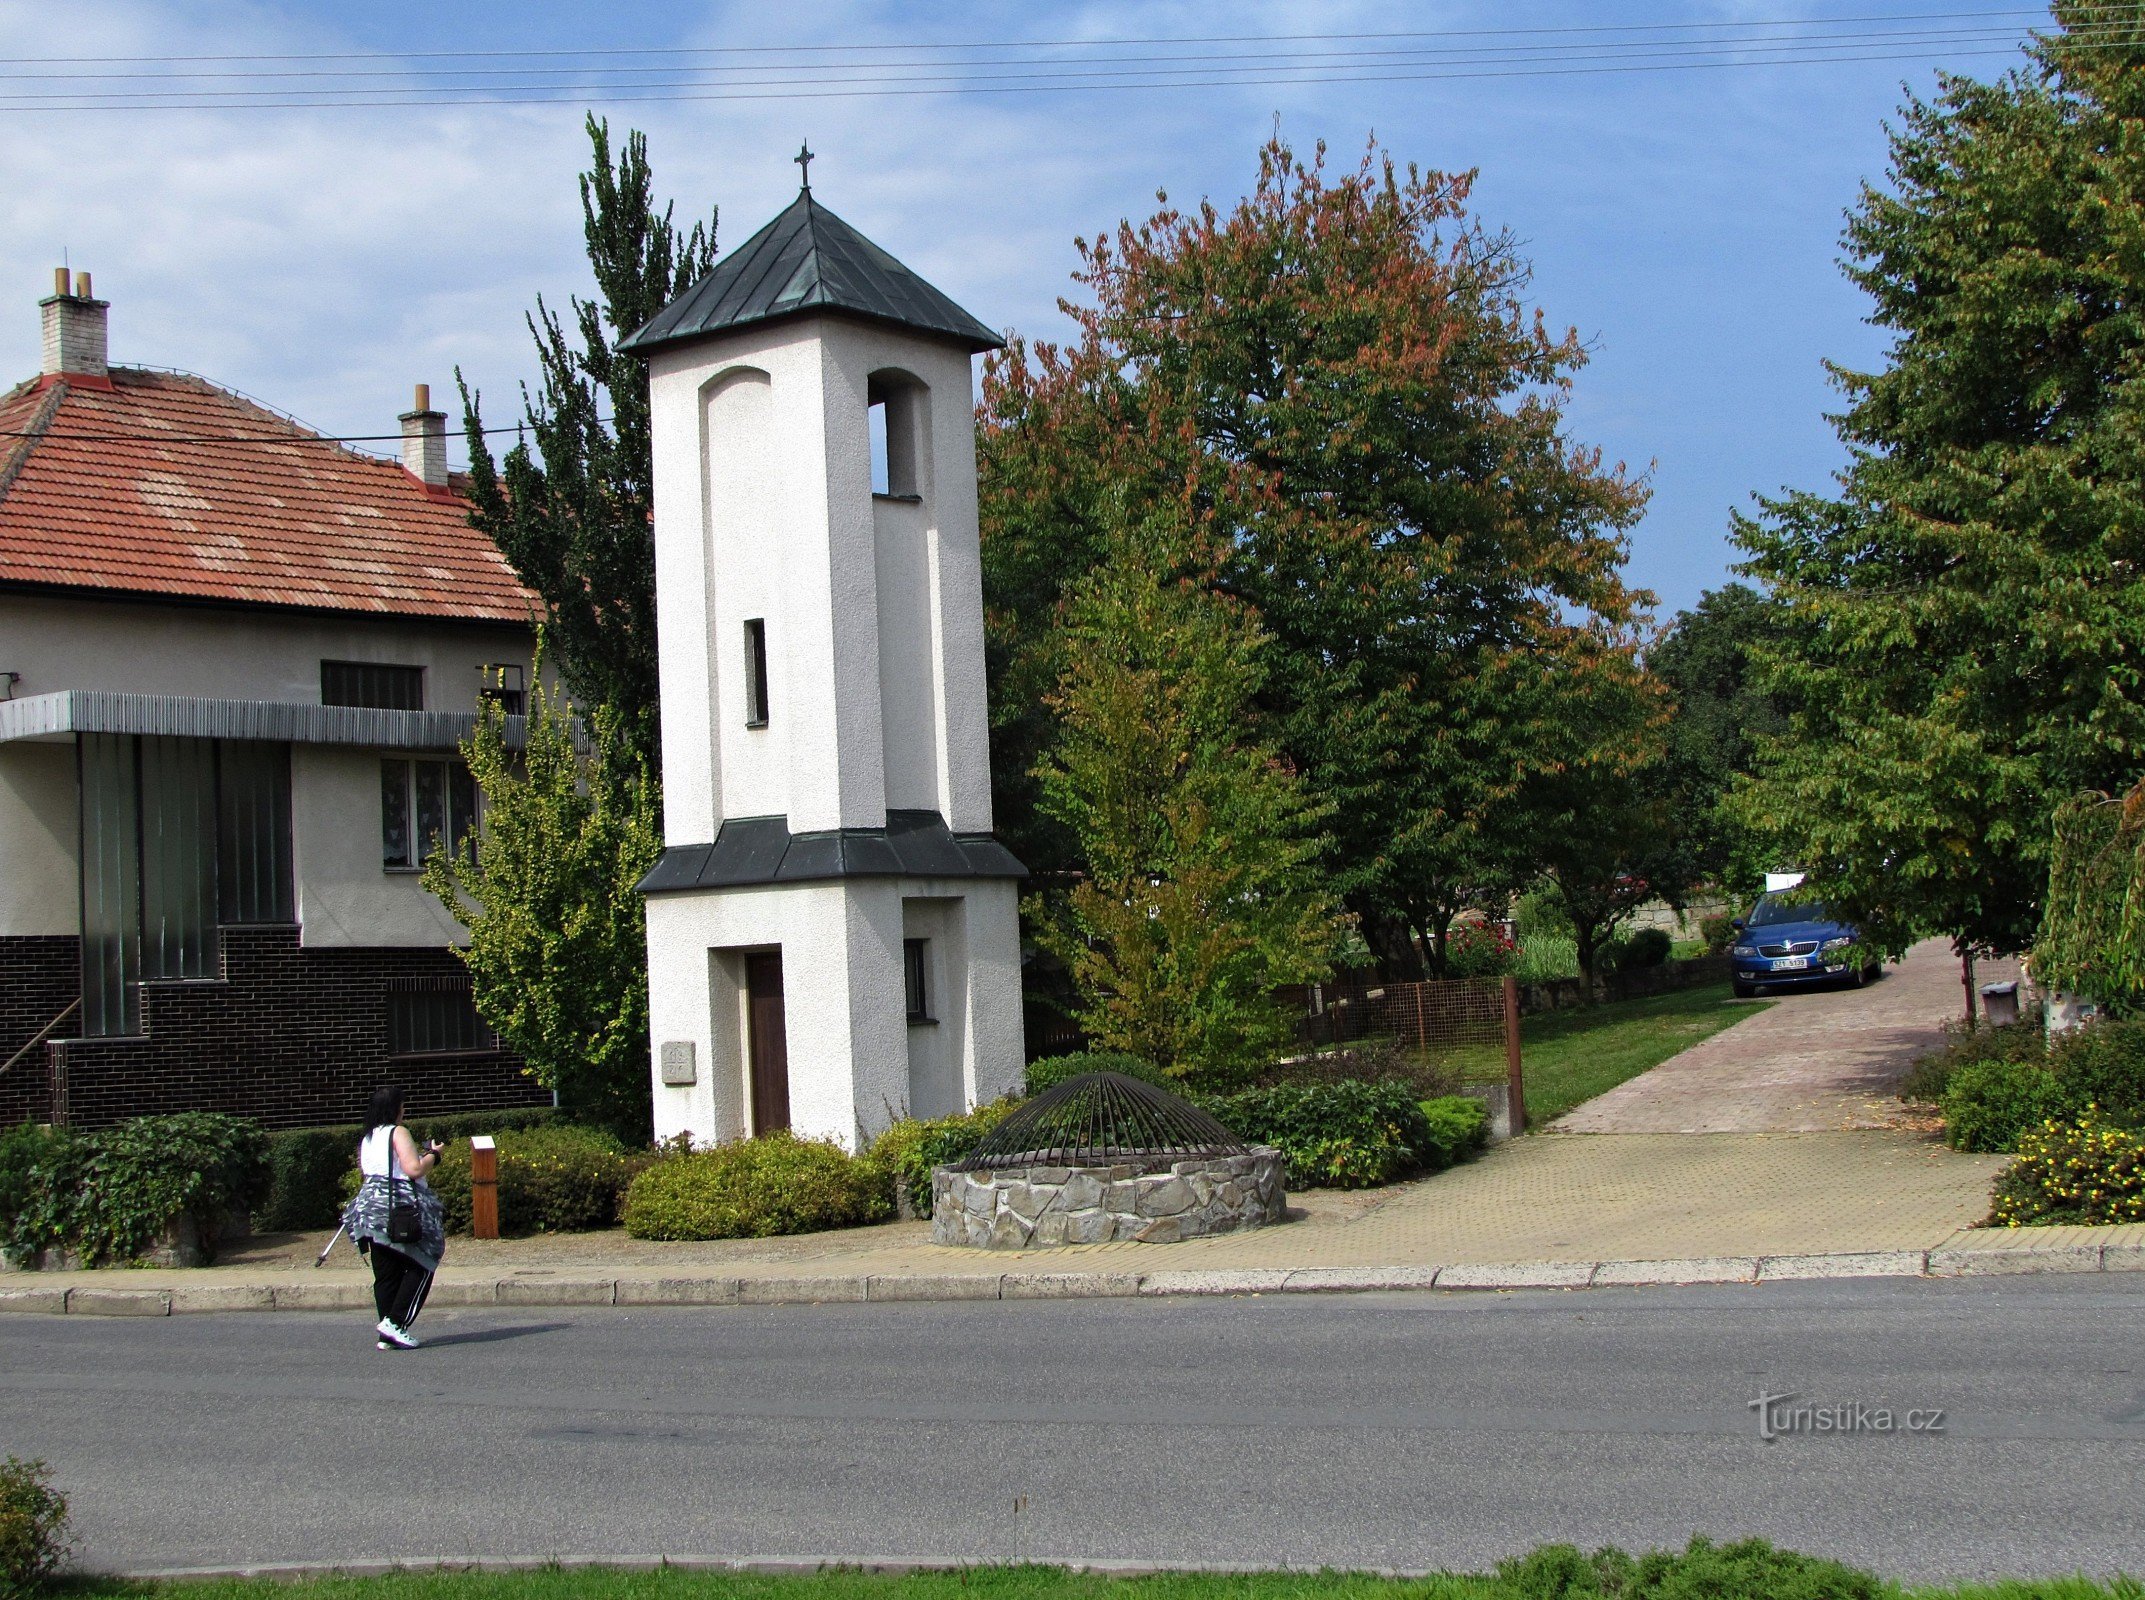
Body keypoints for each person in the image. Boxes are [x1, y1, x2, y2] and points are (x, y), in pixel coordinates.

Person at [342, 1085, 447, 1350]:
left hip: (368, 1212)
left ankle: (387, 1332)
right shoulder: (398, 1132)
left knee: (386, 1274)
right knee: (424, 1259)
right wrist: (433, 1155)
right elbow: (412, 1169)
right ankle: (396, 1323)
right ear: (395, 1108)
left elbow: (367, 1172)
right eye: (402, 1105)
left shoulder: (367, 1137)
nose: (405, 1109)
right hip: (398, 1210)